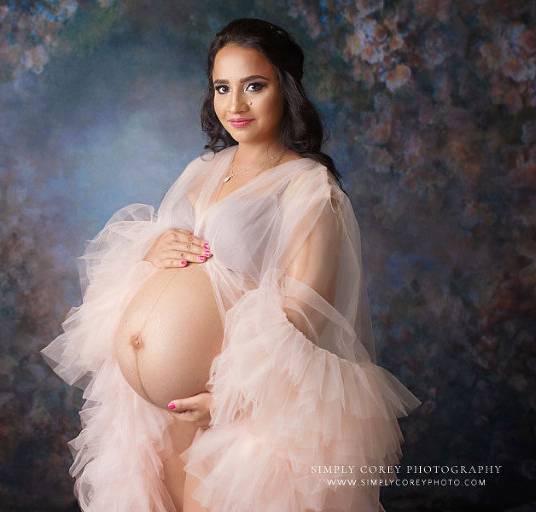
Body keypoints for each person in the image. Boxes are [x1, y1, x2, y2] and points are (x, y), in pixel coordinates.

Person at [42, 18, 421, 512]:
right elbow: (166, 251)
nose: (235, 105)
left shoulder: (307, 186)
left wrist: (234, 400)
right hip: (153, 414)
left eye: (254, 86)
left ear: (286, 89)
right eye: (223, 88)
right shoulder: (202, 169)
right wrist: (153, 249)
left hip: (237, 412)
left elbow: (307, 310)